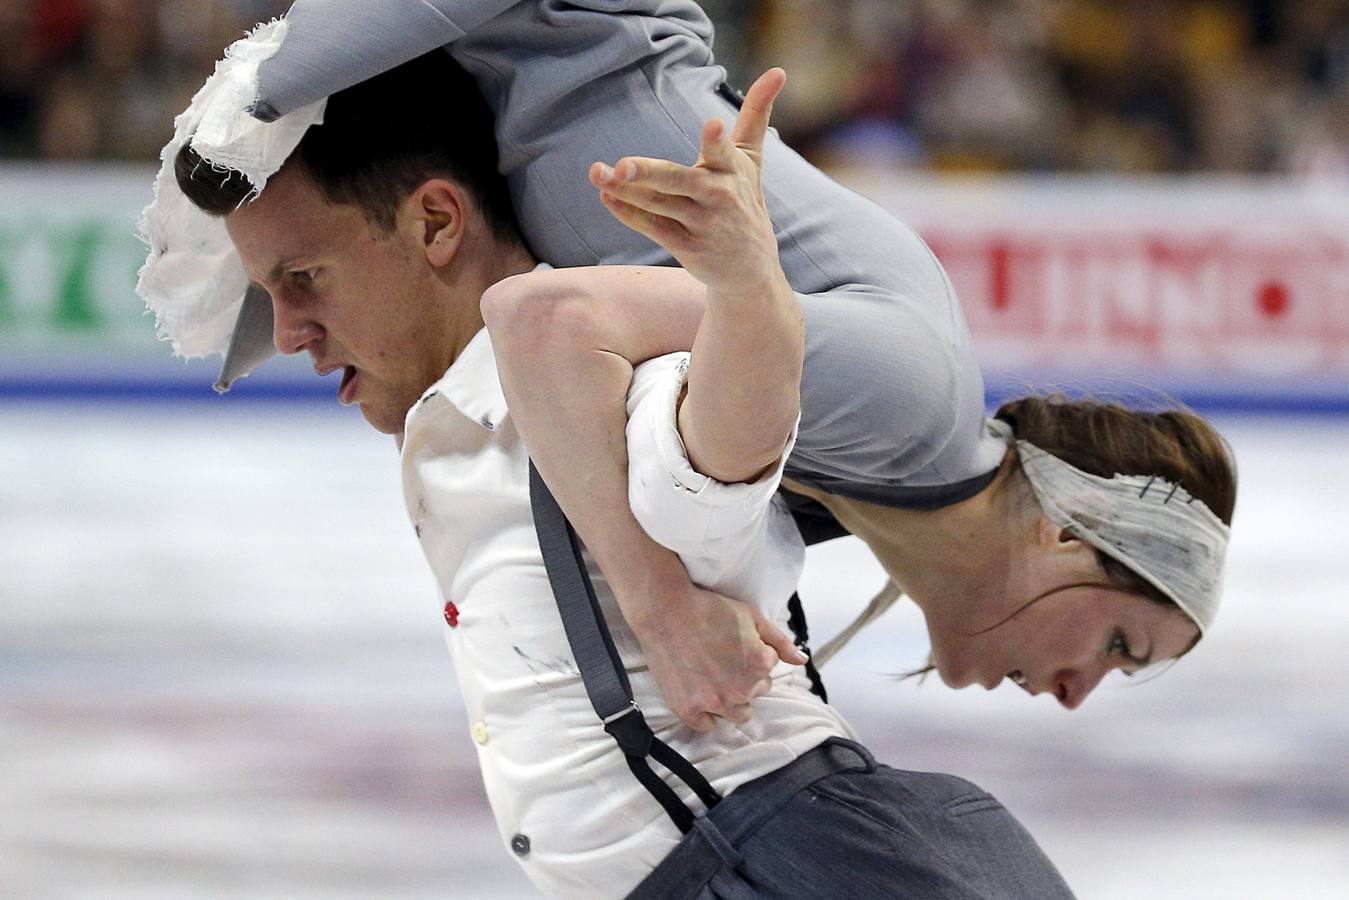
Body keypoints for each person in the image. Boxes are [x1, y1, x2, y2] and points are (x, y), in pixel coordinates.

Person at [164, 45, 1078, 898]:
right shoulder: (460, 420)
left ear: (436, 221)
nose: (286, 333)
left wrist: (746, 293)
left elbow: (718, 435)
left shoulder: (605, 390)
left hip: (806, 863)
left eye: (306, 279)